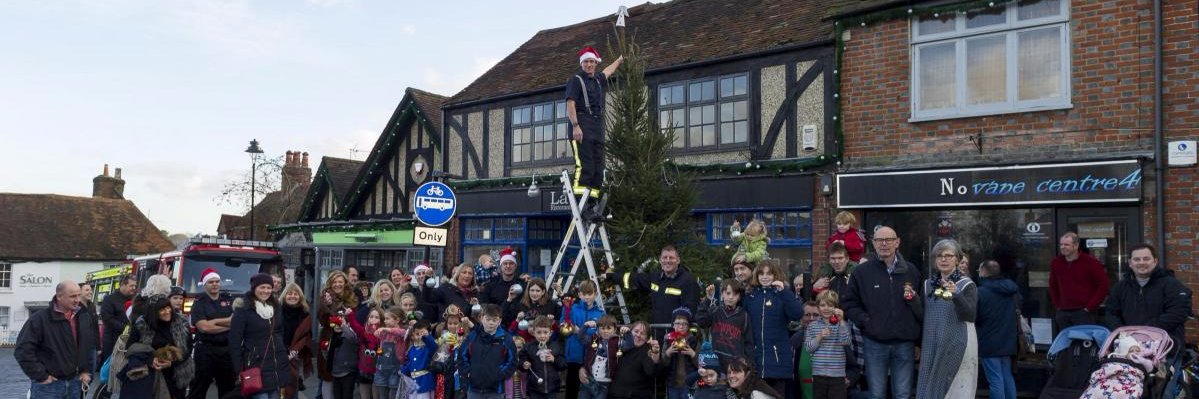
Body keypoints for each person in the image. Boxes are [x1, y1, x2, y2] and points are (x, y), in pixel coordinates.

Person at [841, 226, 923, 399]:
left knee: (902, 394)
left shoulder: (911, 271)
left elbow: (920, 309)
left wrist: (918, 342)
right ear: (873, 243)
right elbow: (849, 303)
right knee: (877, 394)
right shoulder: (862, 272)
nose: (884, 244)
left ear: (897, 242)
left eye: (889, 240)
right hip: (875, 343)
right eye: (879, 240)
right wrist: (866, 321)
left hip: (904, 343)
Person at [564, 45, 623, 220]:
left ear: (596, 63)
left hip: (597, 127)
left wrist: (619, 60)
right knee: (585, 166)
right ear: (582, 64)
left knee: (598, 169)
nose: (589, 65)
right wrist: (575, 125)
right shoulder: (576, 80)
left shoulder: (597, 80)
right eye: (586, 62)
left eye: (592, 61)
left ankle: (592, 204)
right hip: (581, 124)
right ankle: (581, 205)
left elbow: (608, 71)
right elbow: (570, 104)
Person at [915, 239, 977, 399]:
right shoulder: (928, 284)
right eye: (939, 256)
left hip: (956, 342)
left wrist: (957, 295)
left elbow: (970, 315)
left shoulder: (966, 284)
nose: (944, 259)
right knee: (928, 388)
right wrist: (912, 301)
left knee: (953, 389)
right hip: (931, 344)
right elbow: (923, 316)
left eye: (949, 255)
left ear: (957, 259)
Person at [16, 280, 97, 399]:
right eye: (72, 296)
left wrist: (85, 370)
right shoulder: (39, 319)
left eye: (79, 295)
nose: (77, 300)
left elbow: (88, 346)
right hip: (49, 386)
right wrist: (41, 376)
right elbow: (22, 350)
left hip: (75, 383)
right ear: (59, 296)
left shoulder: (83, 316)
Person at [1105, 244, 1191, 354]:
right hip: (1129, 348)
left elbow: (1178, 313)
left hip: (1165, 350)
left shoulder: (1171, 284)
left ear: (1155, 261)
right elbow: (1111, 313)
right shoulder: (1121, 287)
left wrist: (1144, 332)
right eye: (1137, 259)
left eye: (1146, 259)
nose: (1141, 262)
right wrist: (1123, 333)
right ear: (1130, 263)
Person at [743, 260, 803, 396]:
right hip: (756, 359)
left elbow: (797, 314)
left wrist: (784, 292)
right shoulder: (750, 296)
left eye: (769, 274)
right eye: (761, 273)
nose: (765, 277)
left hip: (778, 360)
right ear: (756, 276)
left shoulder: (782, 294)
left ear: (776, 275)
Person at [230, 273, 294, 399]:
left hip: (276, 366)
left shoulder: (275, 307)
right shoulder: (243, 309)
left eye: (268, 288)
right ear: (254, 288)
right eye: (262, 287)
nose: (266, 291)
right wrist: (239, 369)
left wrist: (283, 351)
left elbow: (279, 332)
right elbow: (234, 342)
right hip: (255, 366)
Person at [619, 246, 700, 337]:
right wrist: (610, 276)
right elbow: (636, 279)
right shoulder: (656, 277)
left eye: (671, 258)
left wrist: (687, 334)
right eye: (665, 258)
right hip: (657, 333)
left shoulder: (688, 281)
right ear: (660, 260)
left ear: (678, 260)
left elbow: (691, 310)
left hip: (678, 336)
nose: (668, 260)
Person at [126, 292, 195, 399]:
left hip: (177, 375)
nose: (167, 312)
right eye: (162, 309)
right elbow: (130, 348)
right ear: (153, 312)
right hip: (150, 374)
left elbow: (188, 348)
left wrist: (172, 364)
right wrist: (150, 360)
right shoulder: (142, 325)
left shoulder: (181, 323)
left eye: (168, 308)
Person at [189, 268, 237, 399]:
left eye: (217, 281)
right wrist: (229, 325)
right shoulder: (199, 303)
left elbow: (236, 321)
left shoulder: (229, 300)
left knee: (228, 389)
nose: (215, 284)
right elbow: (204, 328)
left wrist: (214, 321)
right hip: (206, 350)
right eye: (211, 282)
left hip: (226, 351)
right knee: (199, 387)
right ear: (205, 285)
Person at [976, 259, 1019, 399]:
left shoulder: (981, 291)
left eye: (979, 270)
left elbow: (976, 316)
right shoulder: (1011, 289)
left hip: (989, 341)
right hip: (1008, 340)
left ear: (984, 271)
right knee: (1007, 376)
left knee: (995, 380)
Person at [1048, 232, 1109, 330]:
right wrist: (1058, 306)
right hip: (1063, 312)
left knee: (1085, 343)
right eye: (1061, 244)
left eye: (1066, 244)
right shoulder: (1056, 263)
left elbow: (1103, 286)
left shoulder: (1091, 263)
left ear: (1076, 245)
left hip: (1084, 313)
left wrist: (1089, 307)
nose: (1063, 247)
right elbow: (1053, 285)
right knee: (1066, 344)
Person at [458, 304, 518, 399]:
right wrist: (469, 373)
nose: (491, 323)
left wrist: (500, 375)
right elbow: (462, 356)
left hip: (496, 390)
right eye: (488, 319)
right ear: (481, 318)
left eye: (494, 320)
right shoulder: (472, 336)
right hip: (474, 389)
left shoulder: (506, 339)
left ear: (499, 321)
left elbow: (513, 361)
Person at [318, 271, 359, 399]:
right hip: (330, 341)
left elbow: (356, 321)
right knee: (328, 379)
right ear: (330, 284)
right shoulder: (325, 298)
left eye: (340, 281)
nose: (337, 284)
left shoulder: (352, 298)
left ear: (345, 283)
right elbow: (322, 320)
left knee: (347, 385)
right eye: (334, 282)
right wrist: (328, 306)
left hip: (348, 344)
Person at [697, 279, 753, 369]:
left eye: (735, 294)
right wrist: (707, 299)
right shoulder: (716, 311)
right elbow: (701, 322)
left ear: (739, 297)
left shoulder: (744, 316)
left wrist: (749, 363)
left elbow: (749, 343)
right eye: (728, 293)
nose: (731, 297)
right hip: (716, 360)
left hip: (735, 362)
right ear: (722, 294)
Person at [565, 280, 606, 399]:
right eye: (584, 294)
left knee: (589, 392)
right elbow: (564, 326)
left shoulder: (600, 313)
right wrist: (569, 327)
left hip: (592, 358)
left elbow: (602, 334)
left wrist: (580, 331)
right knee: (572, 390)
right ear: (579, 294)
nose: (587, 297)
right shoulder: (572, 309)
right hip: (574, 355)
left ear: (596, 294)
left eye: (590, 294)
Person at [805, 290, 850, 399]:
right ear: (818, 307)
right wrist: (819, 337)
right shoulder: (812, 326)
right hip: (818, 374)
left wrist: (842, 321)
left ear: (836, 307)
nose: (826, 308)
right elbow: (809, 349)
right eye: (822, 305)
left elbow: (846, 342)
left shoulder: (842, 324)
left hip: (837, 374)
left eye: (830, 305)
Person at [607, 321, 663, 399]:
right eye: (636, 331)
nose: (638, 335)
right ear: (630, 332)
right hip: (614, 393)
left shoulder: (647, 351)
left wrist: (655, 356)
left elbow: (651, 371)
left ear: (647, 338)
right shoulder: (621, 346)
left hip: (635, 395)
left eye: (643, 333)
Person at [520, 316, 567, 399]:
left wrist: (554, 360)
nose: (542, 335)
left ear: (551, 332)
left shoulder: (556, 346)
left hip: (552, 388)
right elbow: (521, 360)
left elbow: (563, 365)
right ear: (534, 332)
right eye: (539, 332)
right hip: (535, 388)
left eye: (545, 332)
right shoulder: (528, 347)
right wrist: (524, 364)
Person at [280, 282, 314, 398]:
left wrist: (293, 352)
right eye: (290, 293)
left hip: (295, 355)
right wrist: (283, 351)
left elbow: (306, 336)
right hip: (278, 353)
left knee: (292, 385)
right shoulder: (277, 312)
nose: (293, 296)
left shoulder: (305, 314)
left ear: (300, 297)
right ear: (284, 296)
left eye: (296, 294)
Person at [578, 315, 620, 399]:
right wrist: (586, 325)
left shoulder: (618, 342)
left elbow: (629, 345)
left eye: (608, 328)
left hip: (604, 383)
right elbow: (581, 337)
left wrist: (628, 334)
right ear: (598, 329)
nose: (605, 331)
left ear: (614, 329)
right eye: (602, 328)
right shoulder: (594, 340)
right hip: (589, 379)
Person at [100, 275, 138, 363]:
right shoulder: (109, 299)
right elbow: (108, 319)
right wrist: (126, 329)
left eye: (135, 286)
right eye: (131, 286)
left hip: (130, 341)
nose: (134, 288)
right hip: (113, 341)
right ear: (122, 285)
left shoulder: (135, 300)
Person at [402, 320, 437, 399]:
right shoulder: (412, 349)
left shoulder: (428, 348)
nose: (420, 336)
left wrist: (427, 337)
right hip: (413, 384)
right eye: (417, 334)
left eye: (422, 334)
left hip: (424, 383)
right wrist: (403, 370)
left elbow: (434, 347)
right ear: (413, 335)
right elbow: (409, 363)